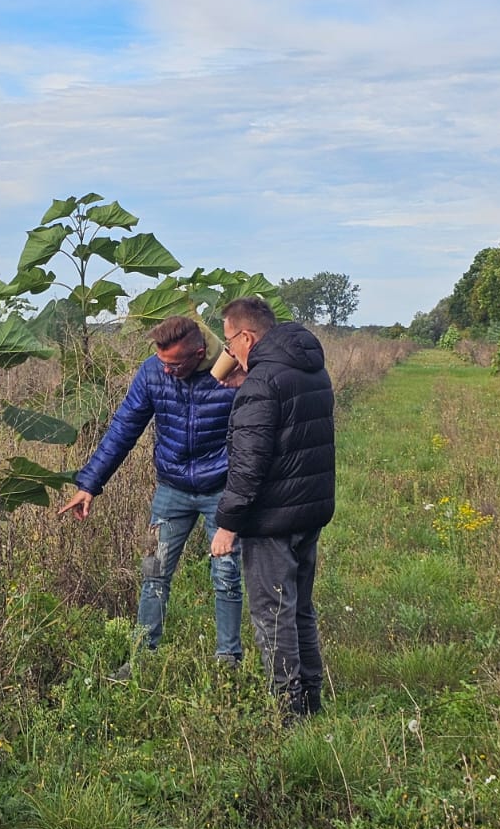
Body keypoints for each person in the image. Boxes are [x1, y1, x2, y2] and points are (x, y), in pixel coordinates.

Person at [58, 315, 244, 666]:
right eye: (162, 363)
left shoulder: (232, 372)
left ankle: (228, 660)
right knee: (153, 570)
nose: (167, 371)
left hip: (221, 490)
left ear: (199, 354)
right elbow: (123, 428)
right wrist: (89, 484)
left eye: (174, 365)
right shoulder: (152, 371)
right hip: (170, 490)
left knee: (226, 574)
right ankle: (142, 657)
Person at [210, 297, 335, 719]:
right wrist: (248, 380)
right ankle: (311, 699)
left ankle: (287, 710)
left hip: (271, 519)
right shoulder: (309, 368)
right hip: (308, 510)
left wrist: (227, 525)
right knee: (299, 608)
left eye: (229, 343)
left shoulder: (262, 383)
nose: (228, 352)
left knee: (272, 615)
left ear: (246, 337)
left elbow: (249, 464)